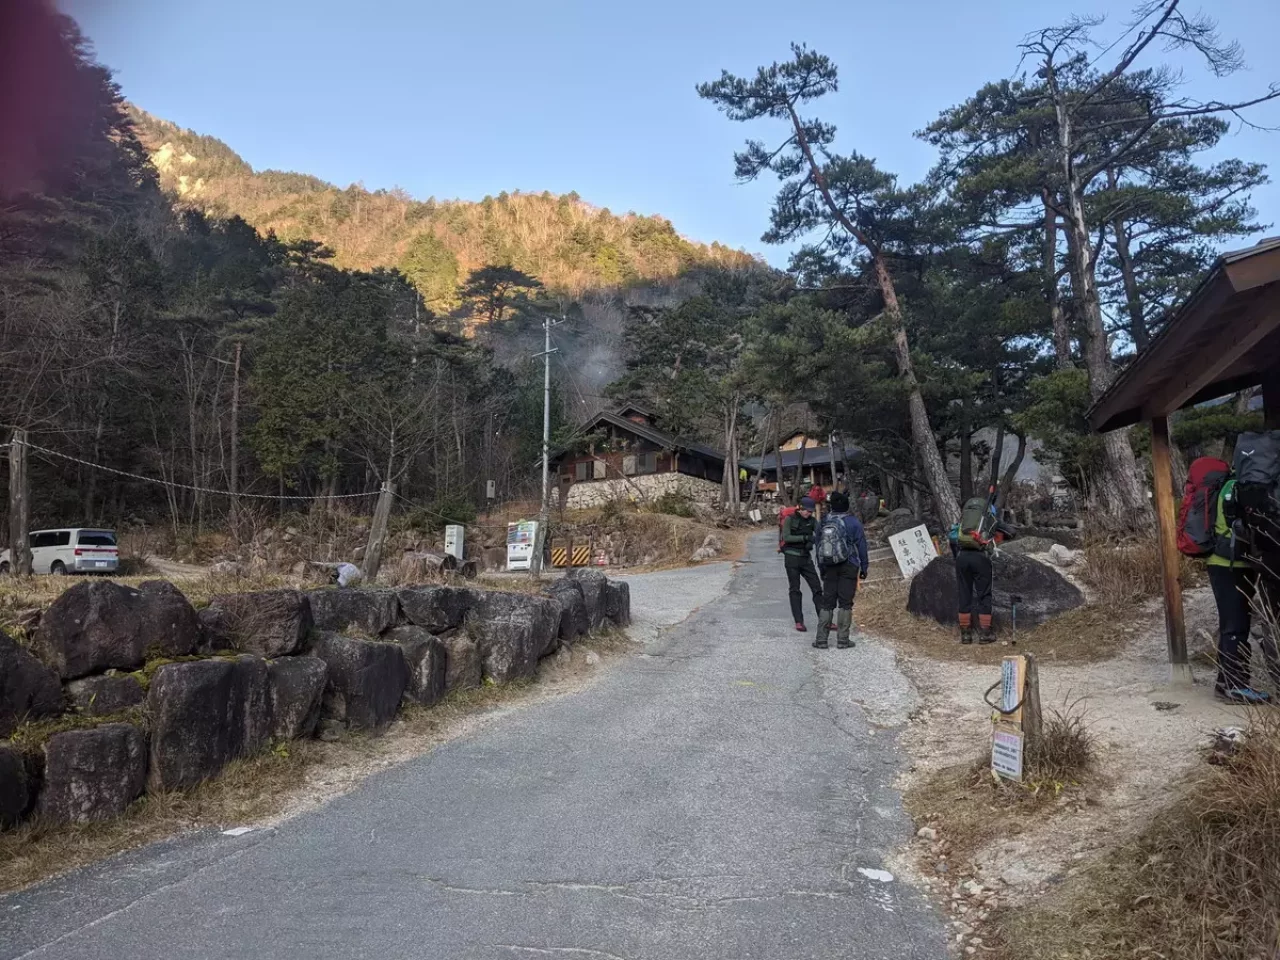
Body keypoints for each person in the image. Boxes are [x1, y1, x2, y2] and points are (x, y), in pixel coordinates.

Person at [1207, 476, 1271, 703]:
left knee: (1233, 623)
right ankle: (1235, 687)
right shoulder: (1238, 487)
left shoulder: (1229, 483)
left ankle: (1226, 682)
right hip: (1231, 564)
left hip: (1226, 562)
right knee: (1235, 625)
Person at [814, 491, 869, 650]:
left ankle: (821, 640)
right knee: (845, 603)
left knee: (827, 602)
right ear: (846, 506)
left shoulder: (824, 522)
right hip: (849, 565)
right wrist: (864, 567)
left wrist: (822, 567)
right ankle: (843, 640)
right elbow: (862, 546)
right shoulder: (854, 522)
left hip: (829, 565)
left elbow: (818, 546)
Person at [953, 496, 996, 644]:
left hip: (962, 557)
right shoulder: (989, 516)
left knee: (964, 592)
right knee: (984, 593)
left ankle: (966, 634)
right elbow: (1006, 531)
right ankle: (985, 633)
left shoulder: (965, 518)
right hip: (980, 557)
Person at [781, 497, 824, 632]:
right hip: (791, 558)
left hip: (806, 559)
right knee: (795, 590)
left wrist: (812, 542)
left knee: (817, 588)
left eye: (810, 512)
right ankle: (799, 621)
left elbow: (820, 534)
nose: (808, 514)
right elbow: (786, 537)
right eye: (806, 511)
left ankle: (824, 620)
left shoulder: (812, 521)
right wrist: (805, 538)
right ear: (800, 508)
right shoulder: (790, 519)